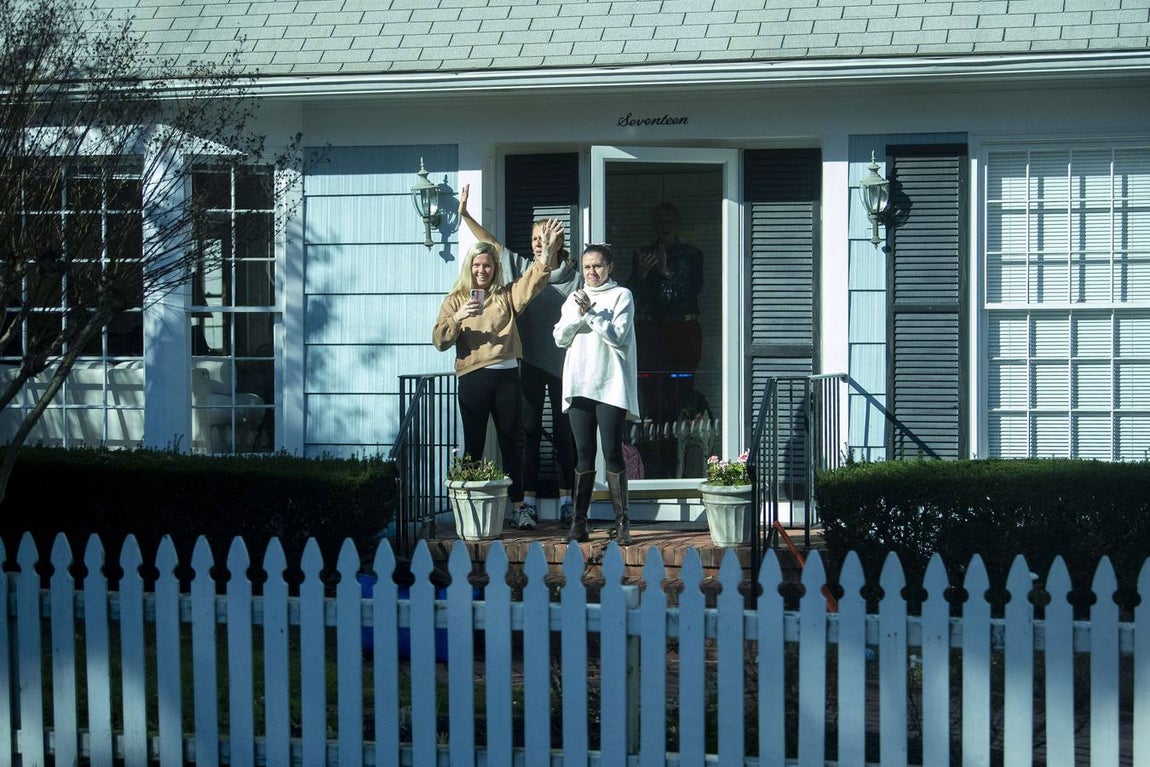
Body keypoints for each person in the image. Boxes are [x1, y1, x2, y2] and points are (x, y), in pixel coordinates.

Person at [457, 185, 581, 530]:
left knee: (563, 433)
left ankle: (567, 500)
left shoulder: (574, 277)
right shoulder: (523, 268)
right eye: (536, 240)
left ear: (558, 242)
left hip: (563, 365)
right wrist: (466, 216)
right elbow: (492, 244)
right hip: (527, 364)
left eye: (545, 239)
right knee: (526, 432)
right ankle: (525, 501)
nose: (539, 245)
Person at [432, 219, 563, 527]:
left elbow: (531, 282)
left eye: (488, 265)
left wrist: (545, 253)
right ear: (469, 267)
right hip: (474, 377)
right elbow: (440, 340)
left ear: (495, 268)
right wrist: (458, 318)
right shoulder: (455, 300)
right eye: (477, 265)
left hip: (506, 376)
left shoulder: (504, 295)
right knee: (474, 443)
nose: (482, 270)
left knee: (511, 444)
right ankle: (470, 508)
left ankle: (519, 509)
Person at [553, 243, 639, 544]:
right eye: (587, 267)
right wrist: (579, 314)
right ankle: (579, 523)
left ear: (610, 267)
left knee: (613, 452)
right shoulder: (575, 298)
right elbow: (560, 337)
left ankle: (622, 522)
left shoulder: (621, 296)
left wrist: (590, 314)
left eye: (598, 266)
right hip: (580, 385)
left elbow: (617, 335)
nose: (592, 272)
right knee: (584, 453)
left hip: (610, 384)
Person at [628, 202, 704, 425]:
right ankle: (654, 445)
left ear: (677, 223)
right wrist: (642, 273)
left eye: (669, 221)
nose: (665, 226)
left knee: (681, 389)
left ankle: (680, 445)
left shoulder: (691, 255)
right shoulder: (644, 254)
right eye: (660, 221)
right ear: (654, 224)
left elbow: (691, 292)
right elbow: (629, 295)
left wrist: (666, 273)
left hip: (682, 331)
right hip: (651, 332)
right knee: (651, 390)